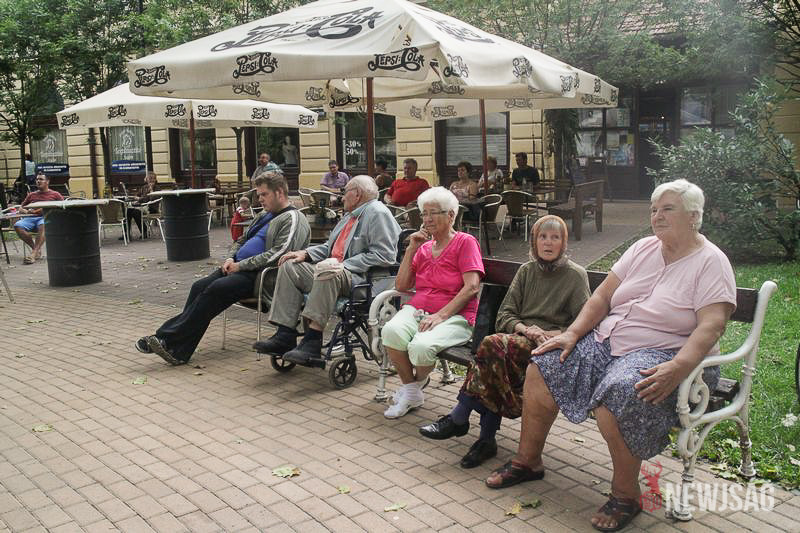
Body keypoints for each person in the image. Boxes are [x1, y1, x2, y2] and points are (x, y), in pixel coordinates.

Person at [485, 179, 736, 533]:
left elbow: (712, 326)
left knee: (617, 394)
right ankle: (528, 461)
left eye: (667, 209)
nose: (657, 216)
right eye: (654, 209)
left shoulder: (711, 262)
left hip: (668, 354)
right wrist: (572, 333)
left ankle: (626, 495)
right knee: (544, 366)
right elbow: (602, 297)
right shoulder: (643, 248)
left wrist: (679, 367)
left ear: (694, 216)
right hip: (609, 340)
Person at [419, 215, 589, 468]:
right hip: (517, 340)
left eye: (555, 237)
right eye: (543, 237)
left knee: (492, 346)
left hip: (550, 345)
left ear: (563, 242)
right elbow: (505, 315)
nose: (548, 242)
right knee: (495, 358)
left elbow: (583, 324)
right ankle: (485, 439)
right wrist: (525, 330)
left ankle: (460, 418)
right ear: (534, 241)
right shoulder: (527, 271)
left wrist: (545, 333)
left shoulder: (575, 275)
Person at [136, 174, 311, 365]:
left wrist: (240, 265)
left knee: (216, 289)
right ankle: (180, 351)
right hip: (237, 267)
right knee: (198, 286)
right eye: (259, 194)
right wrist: (231, 257)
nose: (260, 199)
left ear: (279, 192)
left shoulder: (293, 218)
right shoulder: (264, 214)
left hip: (261, 276)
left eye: (264, 194)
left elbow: (279, 254)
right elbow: (241, 239)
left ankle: (165, 338)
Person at [254, 175, 401, 366]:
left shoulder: (377, 213)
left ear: (357, 194)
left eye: (345, 192)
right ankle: (285, 335)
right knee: (290, 266)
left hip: (363, 279)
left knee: (328, 270)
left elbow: (384, 255)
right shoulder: (350, 215)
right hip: (335, 273)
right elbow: (329, 247)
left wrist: (343, 264)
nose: (342, 197)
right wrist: (305, 253)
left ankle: (313, 340)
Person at [381, 187, 484, 419]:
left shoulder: (465, 242)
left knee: (421, 347)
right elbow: (402, 285)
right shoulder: (425, 248)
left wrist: (440, 315)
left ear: (451, 215)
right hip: (419, 309)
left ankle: (411, 391)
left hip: (456, 315)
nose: (427, 219)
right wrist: (411, 248)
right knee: (391, 331)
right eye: (424, 213)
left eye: (433, 213)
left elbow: (472, 287)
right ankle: (412, 391)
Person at [14, 173, 64, 264]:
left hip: (46, 218)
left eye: (41, 179)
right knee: (17, 225)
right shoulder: (32, 195)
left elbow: (63, 206)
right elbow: (21, 208)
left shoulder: (55, 194)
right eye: (37, 179)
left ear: (47, 181)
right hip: (31, 218)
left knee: (43, 224)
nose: (38, 181)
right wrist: (27, 212)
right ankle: (35, 250)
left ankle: (33, 254)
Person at [125, 171, 158, 239]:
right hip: (143, 207)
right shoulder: (144, 187)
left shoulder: (157, 188)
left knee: (136, 212)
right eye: (150, 178)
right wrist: (133, 198)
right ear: (146, 179)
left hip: (152, 208)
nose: (152, 180)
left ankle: (144, 232)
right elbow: (137, 196)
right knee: (128, 211)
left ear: (155, 179)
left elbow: (151, 199)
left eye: (153, 178)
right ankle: (126, 234)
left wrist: (151, 190)